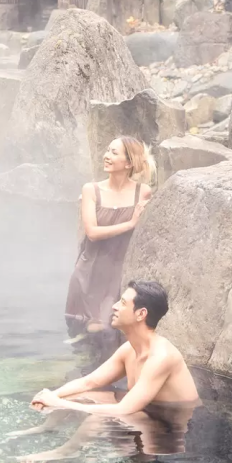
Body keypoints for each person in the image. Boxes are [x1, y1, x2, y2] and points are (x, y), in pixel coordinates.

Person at [10, 280, 200, 462]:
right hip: (144, 410)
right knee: (79, 393)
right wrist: (51, 396)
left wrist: (60, 404)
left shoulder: (161, 357)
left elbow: (124, 409)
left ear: (141, 314)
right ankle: (47, 427)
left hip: (168, 427)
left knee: (100, 419)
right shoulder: (130, 349)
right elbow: (90, 382)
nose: (115, 306)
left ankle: (65, 452)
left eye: (123, 303)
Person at [65, 137, 153, 341]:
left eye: (114, 153)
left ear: (129, 163)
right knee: (80, 332)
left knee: (106, 331)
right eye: (107, 150)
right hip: (89, 273)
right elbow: (92, 233)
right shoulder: (91, 189)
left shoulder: (142, 192)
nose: (106, 156)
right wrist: (129, 224)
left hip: (119, 273)